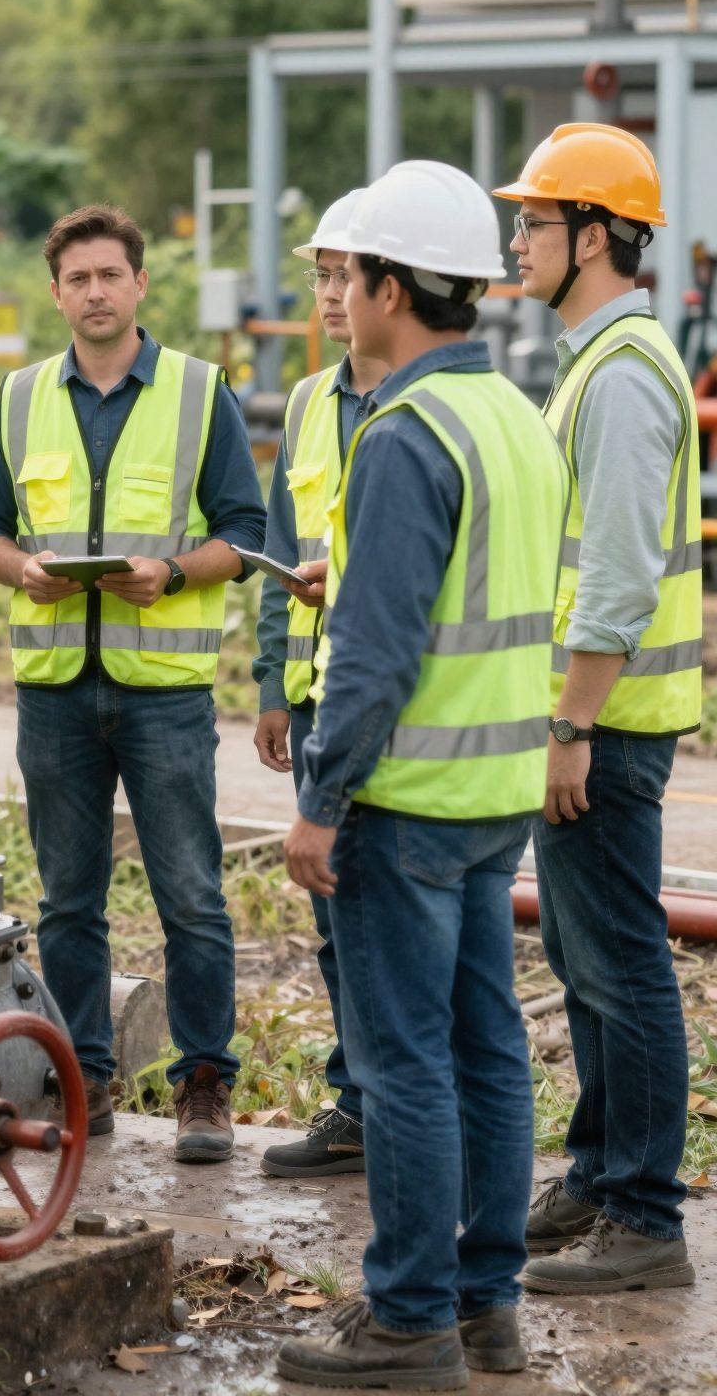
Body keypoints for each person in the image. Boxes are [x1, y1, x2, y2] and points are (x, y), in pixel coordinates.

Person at [276, 162, 567, 1390]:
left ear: (395, 286)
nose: (339, 295)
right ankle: (485, 1303)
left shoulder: (402, 432)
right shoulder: (509, 413)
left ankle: (407, 1319)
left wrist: (317, 801)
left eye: (351, 276)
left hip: (405, 803)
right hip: (497, 793)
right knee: (488, 1049)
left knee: (402, 1063)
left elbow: (377, 656)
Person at [0, 203, 266, 1163]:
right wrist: (22, 570)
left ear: (140, 284)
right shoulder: (17, 399)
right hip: (55, 688)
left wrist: (171, 573)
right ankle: (83, 1076)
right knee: (66, 900)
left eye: (110, 275)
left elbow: (245, 532)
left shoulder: (197, 391)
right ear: (57, 294)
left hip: (163, 691)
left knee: (193, 896)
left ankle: (204, 1084)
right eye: (77, 279)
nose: (95, 292)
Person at [494, 123, 698, 1296]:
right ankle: (600, 1169)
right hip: (595, 718)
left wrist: (572, 721)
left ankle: (645, 1214)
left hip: (607, 724)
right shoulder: (597, 357)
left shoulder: (621, 376)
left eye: (536, 218)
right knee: (585, 953)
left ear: (598, 234)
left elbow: (617, 572)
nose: (518, 237)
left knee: (623, 961)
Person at [252, 191, 387, 1180]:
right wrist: (268, 682)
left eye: (347, 275)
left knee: (393, 913)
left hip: (394, 698)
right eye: (323, 277)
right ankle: (357, 1099)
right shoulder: (306, 402)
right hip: (312, 696)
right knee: (334, 915)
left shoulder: (420, 398)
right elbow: (278, 547)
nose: (333, 295)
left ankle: (402, 1101)